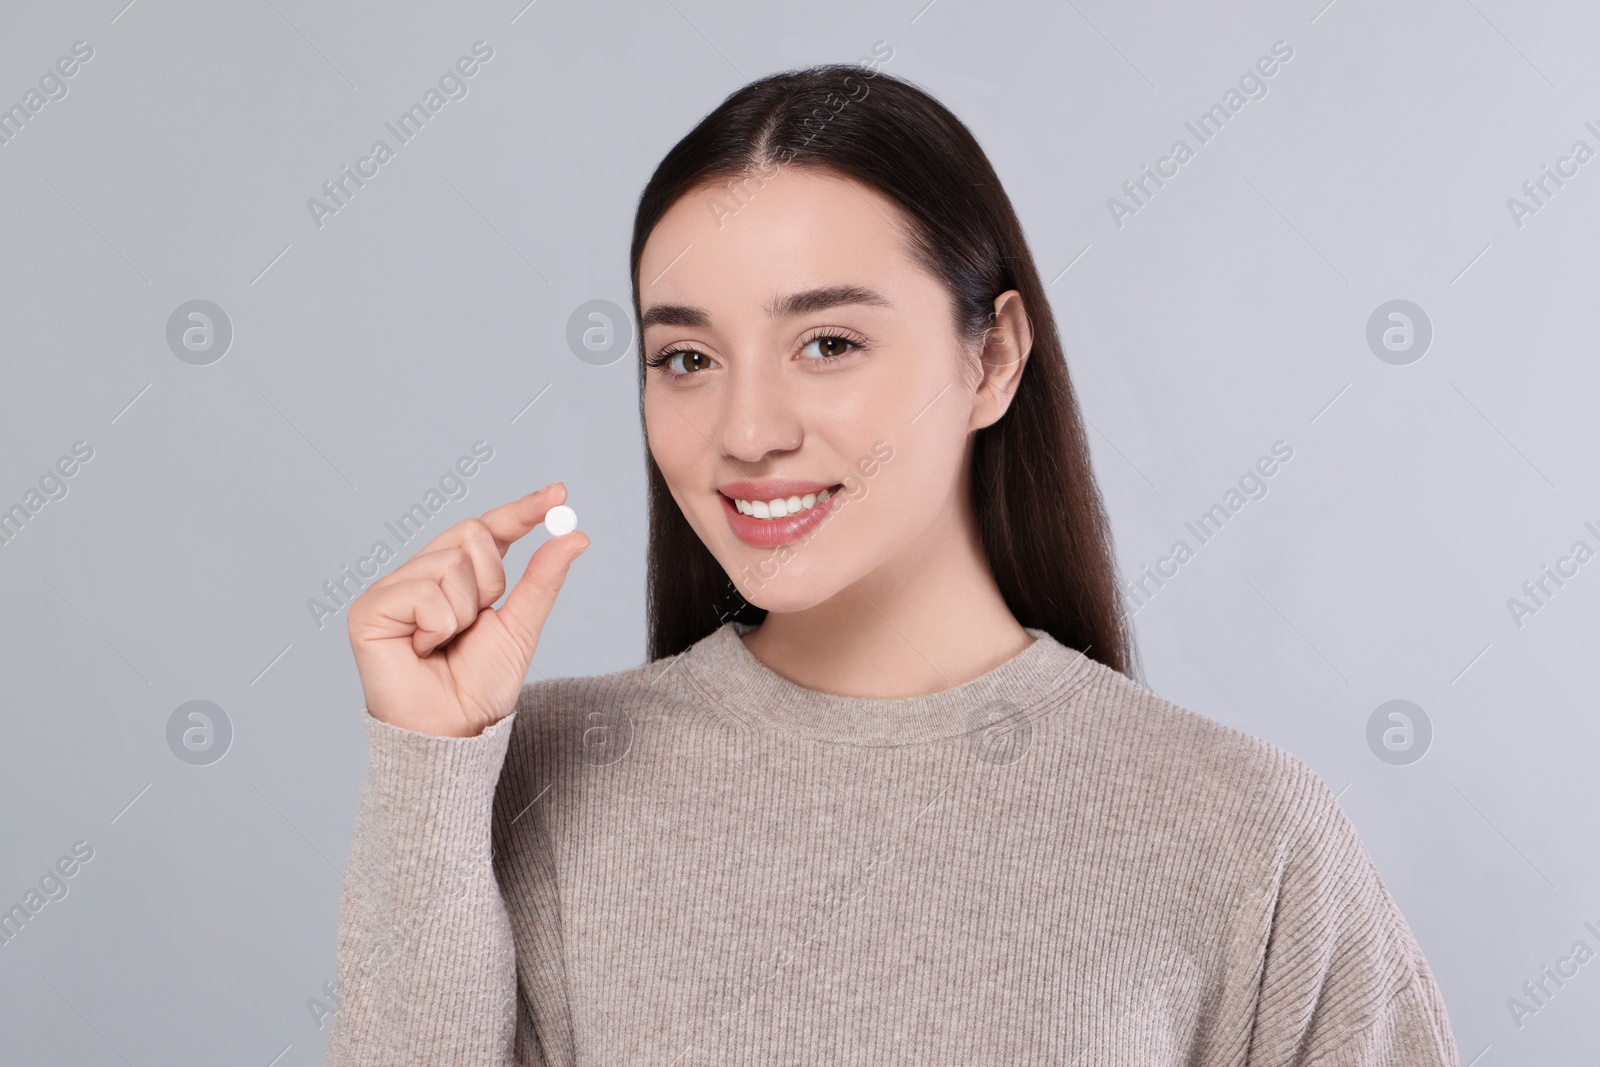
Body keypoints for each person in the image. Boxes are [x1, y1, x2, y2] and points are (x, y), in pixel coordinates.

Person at [324, 63, 1461, 1065]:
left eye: (828, 342)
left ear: (992, 357)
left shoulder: (1238, 828)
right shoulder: (540, 775)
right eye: (685, 355)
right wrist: (429, 764)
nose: (746, 429)